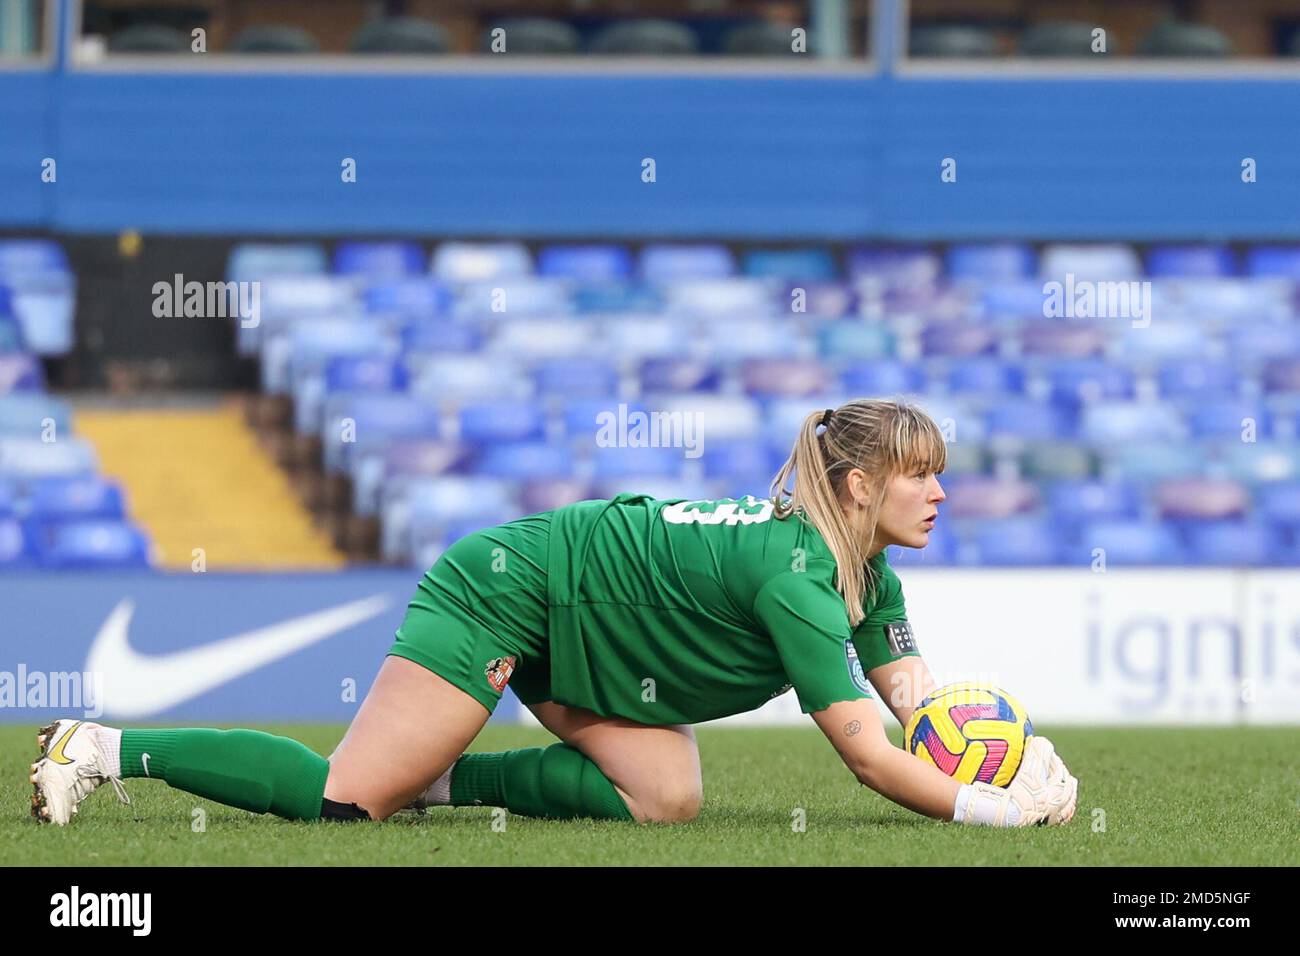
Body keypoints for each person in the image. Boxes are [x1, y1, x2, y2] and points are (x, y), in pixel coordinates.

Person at [30, 398, 1077, 829]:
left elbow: (914, 710)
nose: (939, 492)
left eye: (939, 475)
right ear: (856, 488)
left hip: (597, 634)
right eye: (916, 475)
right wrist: (995, 812)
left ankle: (435, 772)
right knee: (346, 800)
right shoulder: (796, 574)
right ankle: (101, 744)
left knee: (664, 795)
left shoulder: (865, 570)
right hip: (511, 586)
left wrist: (1008, 755)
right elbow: (862, 754)